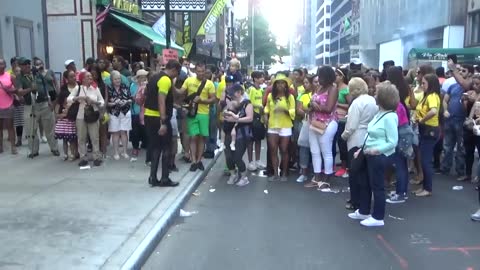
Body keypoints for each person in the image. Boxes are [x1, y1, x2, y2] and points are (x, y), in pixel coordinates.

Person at [348, 81, 399, 227]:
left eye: (376, 93)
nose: (374, 95)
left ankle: (378, 216)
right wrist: (361, 149)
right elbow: (369, 134)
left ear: (382, 97)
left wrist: (377, 150)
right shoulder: (379, 113)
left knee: (377, 186)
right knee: (364, 183)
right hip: (367, 153)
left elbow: (393, 141)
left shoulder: (389, 117)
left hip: (379, 156)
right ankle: (363, 210)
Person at [143, 60, 182, 187]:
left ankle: (153, 177)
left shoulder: (155, 77)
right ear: (174, 70)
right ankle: (164, 178)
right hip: (158, 118)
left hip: (149, 115)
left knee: (155, 147)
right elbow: (161, 100)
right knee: (166, 147)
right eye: (177, 73)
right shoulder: (165, 80)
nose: (176, 76)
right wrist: (164, 122)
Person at [342, 78, 378, 210]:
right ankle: (364, 201)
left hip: (356, 138)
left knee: (355, 172)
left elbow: (351, 126)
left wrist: (344, 136)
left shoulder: (356, 103)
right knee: (365, 173)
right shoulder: (372, 100)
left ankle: (355, 200)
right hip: (369, 137)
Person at [16, 57, 59, 158]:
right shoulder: (19, 77)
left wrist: (51, 102)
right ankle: (33, 151)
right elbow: (19, 91)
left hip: (44, 103)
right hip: (30, 105)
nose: (27, 66)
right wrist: (31, 89)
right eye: (24, 64)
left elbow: (46, 87)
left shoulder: (37, 73)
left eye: (28, 63)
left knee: (50, 128)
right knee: (31, 129)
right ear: (20, 66)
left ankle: (54, 148)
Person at [304, 66, 338, 189]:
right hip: (314, 122)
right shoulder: (319, 88)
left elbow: (329, 109)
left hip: (328, 123)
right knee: (314, 151)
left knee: (326, 151)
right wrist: (312, 104)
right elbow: (310, 103)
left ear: (328, 77)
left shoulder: (333, 89)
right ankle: (316, 177)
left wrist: (315, 105)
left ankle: (327, 178)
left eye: (321, 76)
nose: (319, 79)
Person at [178, 64, 217, 172]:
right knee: (193, 136)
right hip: (192, 112)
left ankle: (199, 160)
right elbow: (181, 92)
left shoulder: (209, 84)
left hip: (204, 114)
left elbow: (213, 99)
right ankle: (194, 160)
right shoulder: (189, 81)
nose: (200, 73)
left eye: (203, 71)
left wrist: (202, 101)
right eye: (199, 71)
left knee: (202, 137)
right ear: (195, 71)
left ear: (205, 71)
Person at [441, 64, 474, 179]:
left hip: (461, 121)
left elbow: (465, 85)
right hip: (450, 119)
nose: (460, 73)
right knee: (447, 146)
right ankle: (445, 168)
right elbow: (445, 100)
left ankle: (461, 171)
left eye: (463, 71)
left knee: (461, 148)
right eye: (459, 71)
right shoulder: (453, 86)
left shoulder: (469, 87)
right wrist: (445, 110)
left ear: (470, 73)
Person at [386, 66, 413, 204]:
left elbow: (393, 122)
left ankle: (401, 193)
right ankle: (401, 190)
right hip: (404, 131)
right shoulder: (401, 100)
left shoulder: (396, 105)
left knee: (400, 164)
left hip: (400, 133)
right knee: (402, 163)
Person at [412, 74, 441, 197]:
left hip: (430, 129)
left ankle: (427, 188)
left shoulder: (432, 96)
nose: (422, 85)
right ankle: (425, 187)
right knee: (423, 159)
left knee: (425, 161)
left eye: (424, 83)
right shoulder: (427, 96)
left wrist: (422, 120)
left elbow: (434, 111)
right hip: (425, 129)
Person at [67, 71, 104, 167]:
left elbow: (102, 102)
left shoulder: (95, 88)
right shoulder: (78, 88)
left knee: (94, 137)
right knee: (81, 138)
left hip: (93, 114)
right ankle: (83, 157)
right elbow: (69, 99)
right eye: (88, 76)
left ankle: (96, 157)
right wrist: (78, 98)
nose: (90, 77)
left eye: (91, 76)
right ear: (83, 79)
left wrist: (94, 102)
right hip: (81, 115)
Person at [264, 73, 296, 182]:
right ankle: (275, 173)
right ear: (275, 85)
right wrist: (265, 115)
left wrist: (285, 111)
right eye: (278, 83)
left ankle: (284, 172)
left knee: (284, 150)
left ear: (286, 85)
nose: (280, 85)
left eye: (283, 83)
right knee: (273, 149)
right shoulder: (270, 96)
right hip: (272, 125)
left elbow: (293, 111)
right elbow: (267, 108)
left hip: (285, 125)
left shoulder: (290, 97)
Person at [224, 84, 254, 186]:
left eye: (233, 94)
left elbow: (250, 118)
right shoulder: (230, 103)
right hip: (229, 132)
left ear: (239, 92)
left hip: (242, 133)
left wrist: (236, 119)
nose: (231, 96)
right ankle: (233, 174)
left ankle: (244, 177)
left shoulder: (247, 103)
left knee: (237, 156)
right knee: (228, 156)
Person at [295, 75, 317, 183]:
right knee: (303, 146)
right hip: (306, 123)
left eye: (307, 82)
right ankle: (303, 172)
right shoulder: (302, 95)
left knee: (317, 148)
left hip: (319, 124)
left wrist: (306, 109)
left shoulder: (323, 95)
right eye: (304, 82)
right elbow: (299, 110)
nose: (305, 84)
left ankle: (316, 172)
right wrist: (308, 110)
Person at [107, 70, 132, 160]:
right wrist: (114, 103)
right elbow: (107, 102)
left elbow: (130, 99)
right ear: (112, 80)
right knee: (115, 133)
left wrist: (126, 101)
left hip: (125, 111)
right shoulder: (108, 88)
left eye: (119, 78)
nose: (118, 80)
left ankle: (124, 152)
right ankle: (116, 153)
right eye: (115, 79)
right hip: (114, 112)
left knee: (124, 132)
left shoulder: (125, 86)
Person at [54, 72, 77, 161]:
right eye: (71, 77)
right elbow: (58, 104)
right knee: (64, 139)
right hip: (64, 119)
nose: (74, 78)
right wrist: (57, 115)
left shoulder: (79, 87)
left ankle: (74, 153)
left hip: (74, 116)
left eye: (74, 76)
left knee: (72, 138)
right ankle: (65, 154)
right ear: (67, 79)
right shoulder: (63, 90)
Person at [246, 71, 266, 171]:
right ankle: (250, 162)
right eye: (261, 77)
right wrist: (258, 106)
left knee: (258, 139)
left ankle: (258, 160)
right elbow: (247, 102)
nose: (263, 79)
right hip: (253, 116)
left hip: (260, 117)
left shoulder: (261, 90)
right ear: (255, 79)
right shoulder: (251, 89)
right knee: (251, 140)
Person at [333, 67, 350, 178]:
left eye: (337, 75)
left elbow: (350, 105)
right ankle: (333, 165)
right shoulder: (333, 88)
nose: (335, 77)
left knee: (342, 143)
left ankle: (345, 167)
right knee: (332, 142)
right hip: (332, 118)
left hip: (342, 119)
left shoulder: (346, 89)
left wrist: (337, 104)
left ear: (342, 76)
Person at [463, 74, 480, 183]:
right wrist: (464, 101)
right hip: (471, 126)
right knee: (468, 151)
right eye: (473, 83)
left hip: (478, 127)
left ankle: (477, 176)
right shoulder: (471, 93)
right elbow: (469, 111)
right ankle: (468, 174)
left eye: (477, 84)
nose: (475, 86)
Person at [0, 58, 18, 154]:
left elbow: (17, 89)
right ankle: (0, 146)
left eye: (2, 64)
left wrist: (8, 89)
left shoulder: (10, 76)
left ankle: (13, 146)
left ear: (5, 65)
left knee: (10, 127)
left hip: (8, 104)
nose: (0, 66)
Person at [130, 69, 149, 158]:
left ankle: (145, 144)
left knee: (145, 129)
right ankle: (135, 147)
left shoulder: (148, 85)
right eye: (141, 77)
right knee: (135, 130)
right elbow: (133, 97)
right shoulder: (133, 85)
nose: (143, 79)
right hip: (135, 110)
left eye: (144, 77)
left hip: (145, 111)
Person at [12, 65, 24, 147]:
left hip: (24, 103)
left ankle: (30, 137)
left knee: (26, 121)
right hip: (16, 104)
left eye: (19, 71)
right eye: (16, 71)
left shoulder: (23, 80)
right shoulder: (12, 81)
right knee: (18, 123)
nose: (18, 72)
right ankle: (19, 140)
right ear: (13, 72)